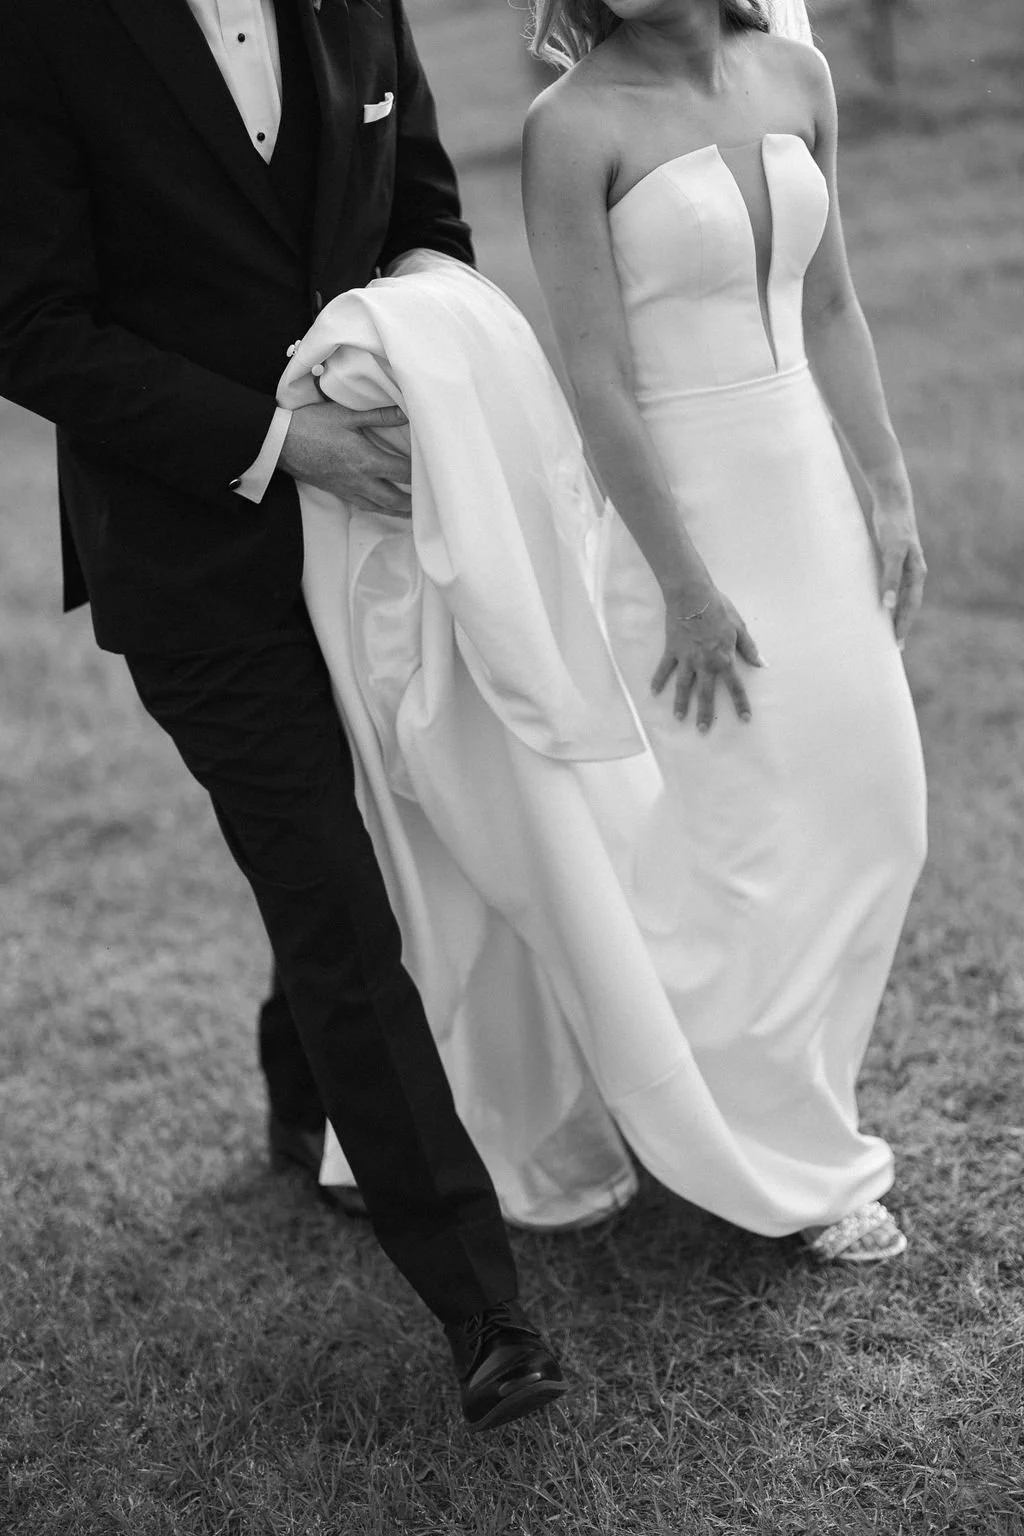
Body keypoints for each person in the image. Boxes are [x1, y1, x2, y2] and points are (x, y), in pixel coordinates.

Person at [0, 0, 568, 1432]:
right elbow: (29, 326)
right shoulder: (41, 30)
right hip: (191, 547)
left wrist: (417, 376)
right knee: (329, 884)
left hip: (372, 540)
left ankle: (297, 1081)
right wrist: (278, 443)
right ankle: (481, 1306)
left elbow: (425, 211)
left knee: (345, 852)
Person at [520, 0, 928, 1259]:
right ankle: (787, 1164)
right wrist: (686, 585)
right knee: (740, 837)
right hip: (680, 513)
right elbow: (596, 379)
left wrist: (889, 487)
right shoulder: (568, 124)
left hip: (803, 482)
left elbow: (831, 308)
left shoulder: (796, 72)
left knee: (879, 809)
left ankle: (759, 1093)